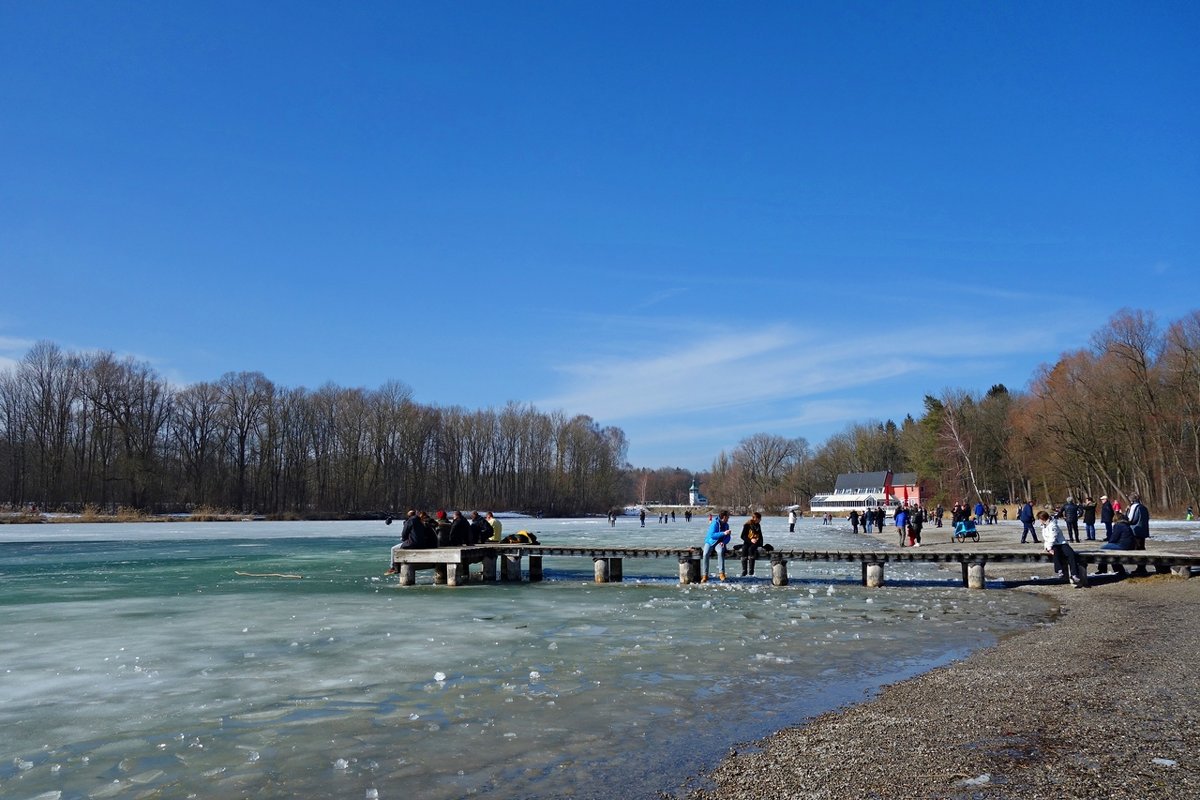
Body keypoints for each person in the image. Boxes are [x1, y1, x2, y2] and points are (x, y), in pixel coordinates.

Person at [1037, 510, 1082, 586]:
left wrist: (1049, 547)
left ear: (1042, 519)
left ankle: (1074, 574)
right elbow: (1047, 539)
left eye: (1039, 519)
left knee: (1071, 554)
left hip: (1061, 543)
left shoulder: (1052, 525)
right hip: (1053, 545)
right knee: (1055, 552)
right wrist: (1048, 548)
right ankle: (1059, 570)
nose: (1039, 521)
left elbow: (1052, 537)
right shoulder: (1044, 526)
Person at [1098, 512, 1136, 576]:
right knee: (1112, 551)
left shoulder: (1118, 525)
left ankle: (1102, 569)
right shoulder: (1126, 524)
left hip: (1123, 545)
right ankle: (1118, 569)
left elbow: (1113, 538)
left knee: (1103, 548)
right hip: (1130, 545)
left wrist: (1109, 543)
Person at [701, 510, 732, 583]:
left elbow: (728, 537)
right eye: (728, 517)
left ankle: (721, 573)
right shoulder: (714, 523)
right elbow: (712, 535)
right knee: (705, 554)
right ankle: (705, 575)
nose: (728, 518)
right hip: (710, 542)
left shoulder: (726, 525)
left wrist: (724, 542)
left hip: (720, 543)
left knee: (721, 551)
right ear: (724, 517)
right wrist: (723, 533)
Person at [739, 511, 764, 576]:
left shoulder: (758, 525)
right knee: (744, 549)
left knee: (751, 549)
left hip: (756, 542)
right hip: (748, 541)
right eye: (759, 519)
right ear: (756, 518)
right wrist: (750, 540)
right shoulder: (747, 525)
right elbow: (742, 536)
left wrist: (761, 544)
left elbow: (760, 535)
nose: (760, 520)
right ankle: (744, 570)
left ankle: (751, 569)